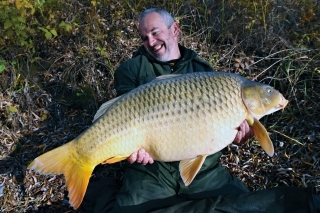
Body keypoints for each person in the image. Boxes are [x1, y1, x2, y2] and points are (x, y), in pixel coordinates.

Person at [83, 8, 320, 213]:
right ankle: (102, 186)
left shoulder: (204, 70)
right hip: (152, 170)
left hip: (204, 171)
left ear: (174, 30)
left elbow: (221, 130)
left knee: (246, 204)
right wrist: (131, 149)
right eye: (144, 37)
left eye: (155, 33)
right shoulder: (130, 70)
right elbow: (124, 114)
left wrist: (241, 137)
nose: (151, 42)